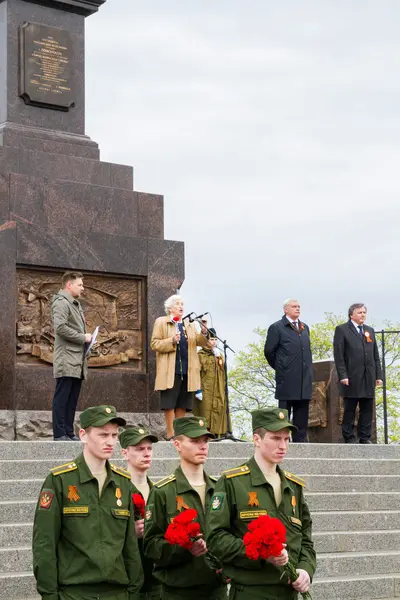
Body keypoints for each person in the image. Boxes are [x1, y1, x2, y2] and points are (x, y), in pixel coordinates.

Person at [32, 405, 144, 600]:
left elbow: (130, 546)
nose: (110, 442)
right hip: (75, 593)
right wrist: (50, 595)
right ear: (83, 435)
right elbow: (44, 544)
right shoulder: (60, 480)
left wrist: (133, 592)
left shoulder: (123, 483)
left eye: (114, 435)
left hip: (117, 593)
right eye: (103, 435)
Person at [207, 407, 316, 600]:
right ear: (256, 439)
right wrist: (260, 553)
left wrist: (305, 570)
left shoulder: (293, 486)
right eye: (275, 438)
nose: (283, 446)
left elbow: (305, 538)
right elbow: (216, 538)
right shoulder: (233, 482)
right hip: (251, 591)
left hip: (288, 592)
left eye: (286, 439)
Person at [143, 416, 227, 600]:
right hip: (179, 592)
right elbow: (150, 546)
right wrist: (183, 548)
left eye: (205, 441)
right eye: (195, 441)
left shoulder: (221, 489)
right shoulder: (163, 492)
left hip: (217, 591)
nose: (203, 446)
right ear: (177, 445)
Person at [151, 295, 210, 439]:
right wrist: (171, 340)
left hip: (188, 368)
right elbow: (154, 344)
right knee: (170, 402)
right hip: (170, 369)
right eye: (177, 304)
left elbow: (199, 342)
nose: (181, 306)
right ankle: (171, 433)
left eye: (182, 304)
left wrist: (203, 331)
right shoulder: (161, 322)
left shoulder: (188, 324)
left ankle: (179, 432)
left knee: (183, 402)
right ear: (169, 307)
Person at [120, 425, 161, 600]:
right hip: (127, 582)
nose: (147, 453)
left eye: (149, 448)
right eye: (139, 449)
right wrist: (131, 532)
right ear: (125, 453)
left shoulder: (159, 491)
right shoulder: (118, 490)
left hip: (157, 581)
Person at [264, 298, 313, 443]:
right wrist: (281, 367)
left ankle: (300, 441)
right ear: (286, 309)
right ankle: (283, 440)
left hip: (304, 378)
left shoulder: (304, 327)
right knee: (284, 413)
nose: (297, 309)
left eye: (298, 306)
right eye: (294, 306)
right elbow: (269, 351)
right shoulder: (277, 327)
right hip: (287, 378)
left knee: (302, 413)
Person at [333, 303, 383, 444]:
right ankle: (349, 437)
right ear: (351, 314)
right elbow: (339, 355)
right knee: (350, 408)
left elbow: (375, 355)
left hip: (368, 376)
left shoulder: (369, 330)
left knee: (367, 408)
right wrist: (343, 375)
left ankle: (364, 437)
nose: (363, 315)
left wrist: (379, 375)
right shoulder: (342, 330)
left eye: (364, 312)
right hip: (351, 377)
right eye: (360, 312)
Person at [51, 271, 92, 441]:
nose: (83, 288)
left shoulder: (74, 304)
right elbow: (60, 328)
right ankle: (59, 433)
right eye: (80, 285)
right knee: (62, 397)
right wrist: (83, 337)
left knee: (72, 398)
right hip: (67, 358)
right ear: (69, 285)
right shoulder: (61, 302)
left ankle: (68, 431)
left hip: (76, 359)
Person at [193, 328, 228, 438]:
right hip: (205, 389)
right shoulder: (200, 355)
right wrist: (198, 389)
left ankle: (216, 436)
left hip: (218, 390)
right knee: (205, 413)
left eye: (215, 339)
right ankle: (204, 437)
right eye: (211, 339)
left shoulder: (218, 355)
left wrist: (218, 357)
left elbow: (222, 371)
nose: (213, 342)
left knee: (218, 411)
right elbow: (196, 373)